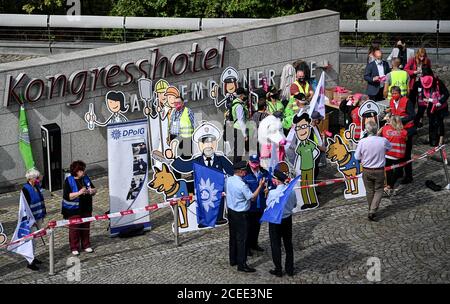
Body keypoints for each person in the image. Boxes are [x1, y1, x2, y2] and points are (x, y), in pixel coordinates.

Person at [168, 122, 234, 226]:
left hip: (218, 193)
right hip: (203, 193)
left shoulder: (220, 159)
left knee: (219, 202)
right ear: (199, 145)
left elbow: (232, 171)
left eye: (211, 142)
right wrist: (172, 158)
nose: (208, 145)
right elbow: (183, 167)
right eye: (204, 142)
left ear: (216, 143)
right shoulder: (197, 160)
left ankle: (218, 218)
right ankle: (204, 220)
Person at [226, 160, 265, 273]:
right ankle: (242, 264)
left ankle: (233, 259)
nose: (246, 172)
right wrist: (260, 186)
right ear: (241, 171)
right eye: (244, 171)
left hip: (231, 211)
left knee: (233, 237)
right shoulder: (242, 185)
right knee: (242, 239)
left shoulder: (229, 179)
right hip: (241, 214)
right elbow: (252, 197)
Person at [355, 120, 392, 221]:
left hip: (367, 170)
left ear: (366, 130)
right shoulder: (383, 140)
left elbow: (357, 156)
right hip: (379, 170)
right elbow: (390, 148)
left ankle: (371, 209)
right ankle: (372, 210)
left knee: (369, 190)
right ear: (377, 130)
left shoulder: (362, 142)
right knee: (379, 189)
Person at [62, 160, 97, 255]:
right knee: (74, 229)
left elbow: (94, 189)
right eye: (82, 170)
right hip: (73, 210)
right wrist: (79, 193)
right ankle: (74, 247)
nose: (84, 172)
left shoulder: (86, 178)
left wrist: (92, 191)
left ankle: (86, 245)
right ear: (76, 171)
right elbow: (67, 196)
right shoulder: (68, 180)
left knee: (86, 227)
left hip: (86, 207)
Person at [267, 169, 297, 277]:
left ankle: (278, 269)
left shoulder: (272, 193)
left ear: (276, 180)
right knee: (288, 244)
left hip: (275, 220)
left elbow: (269, 205)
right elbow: (294, 205)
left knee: (276, 245)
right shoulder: (291, 191)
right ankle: (289, 269)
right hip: (287, 219)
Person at [409, 66, 449, 146]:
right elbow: (413, 94)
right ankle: (432, 140)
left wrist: (440, 102)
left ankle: (440, 140)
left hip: (440, 107)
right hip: (430, 106)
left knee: (439, 122)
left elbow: (446, 93)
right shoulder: (420, 82)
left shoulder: (438, 82)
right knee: (431, 122)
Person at [243, 155, 270, 256]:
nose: (255, 165)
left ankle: (254, 244)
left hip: (260, 205)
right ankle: (248, 247)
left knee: (257, 226)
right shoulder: (245, 174)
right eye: (253, 163)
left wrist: (269, 189)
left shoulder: (264, 173)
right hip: (250, 206)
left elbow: (271, 183)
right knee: (248, 228)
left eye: (256, 163)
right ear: (249, 162)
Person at [387, 86, 416, 184]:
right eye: (392, 94)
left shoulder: (407, 101)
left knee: (406, 154)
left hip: (407, 129)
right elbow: (392, 113)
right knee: (398, 153)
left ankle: (409, 176)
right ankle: (399, 172)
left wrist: (400, 120)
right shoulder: (391, 101)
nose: (394, 96)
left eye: (395, 94)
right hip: (397, 130)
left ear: (399, 93)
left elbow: (412, 115)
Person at [21, 168, 46, 271]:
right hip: (31, 220)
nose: (38, 179)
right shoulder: (25, 189)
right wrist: (31, 220)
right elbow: (25, 207)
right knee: (31, 240)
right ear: (30, 179)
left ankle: (33, 257)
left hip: (39, 217)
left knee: (35, 240)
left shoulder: (36, 186)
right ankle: (30, 262)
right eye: (36, 178)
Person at [293, 113, 319, 210]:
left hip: (310, 167)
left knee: (310, 184)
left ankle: (313, 201)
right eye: (298, 128)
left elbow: (316, 152)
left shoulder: (310, 144)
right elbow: (298, 155)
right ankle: (306, 202)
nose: (302, 131)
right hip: (303, 168)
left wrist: (311, 159)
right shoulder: (300, 146)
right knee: (303, 185)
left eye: (304, 126)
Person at [379, 115, 408, 195]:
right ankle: (390, 186)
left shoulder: (385, 129)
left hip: (387, 155)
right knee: (398, 172)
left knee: (389, 172)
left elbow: (381, 135)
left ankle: (389, 186)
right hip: (398, 156)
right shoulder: (404, 132)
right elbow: (406, 140)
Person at [230, 87, 249, 162]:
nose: (245, 96)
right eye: (244, 94)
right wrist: (244, 134)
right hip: (239, 129)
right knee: (239, 149)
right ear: (241, 95)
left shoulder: (235, 102)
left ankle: (236, 165)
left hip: (236, 127)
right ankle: (237, 166)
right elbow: (241, 120)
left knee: (237, 149)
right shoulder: (239, 106)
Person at [309, 111, 327, 180]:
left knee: (316, 170)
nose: (320, 120)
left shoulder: (315, 126)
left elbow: (316, 137)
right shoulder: (309, 129)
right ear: (315, 120)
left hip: (318, 153)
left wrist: (321, 136)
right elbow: (311, 143)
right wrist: (322, 148)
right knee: (314, 171)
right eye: (319, 119)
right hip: (313, 154)